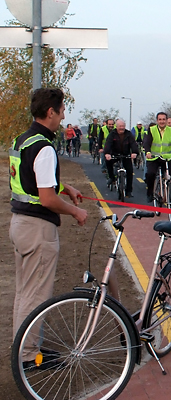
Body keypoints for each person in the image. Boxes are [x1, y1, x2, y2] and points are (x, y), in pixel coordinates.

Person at [9, 88, 88, 369]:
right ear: (51, 112)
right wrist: (75, 210)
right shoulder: (44, 146)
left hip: (20, 224)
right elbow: (46, 198)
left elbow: (33, 180)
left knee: (25, 291)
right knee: (35, 294)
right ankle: (29, 356)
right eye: (62, 109)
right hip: (37, 228)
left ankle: (23, 346)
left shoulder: (22, 140)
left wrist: (65, 187)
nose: (64, 115)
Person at [143, 112, 171, 204]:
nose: (162, 121)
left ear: (166, 120)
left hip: (167, 158)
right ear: (157, 120)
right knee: (150, 174)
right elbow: (147, 142)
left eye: (163, 119)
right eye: (160, 119)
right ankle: (150, 193)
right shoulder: (151, 129)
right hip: (154, 158)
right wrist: (148, 152)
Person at [104, 119, 140, 197]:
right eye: (120, 126)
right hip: (114, 154)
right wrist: (107, 153)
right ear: (116, 127)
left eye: (123, 126)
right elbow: (108, 144)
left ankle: (129, 191)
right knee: (108, 162)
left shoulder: (128, 134)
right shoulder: (112, 134)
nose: (121, 128)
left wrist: (134, 152)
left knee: (130, 171)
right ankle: (111, 178)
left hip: (125, 155)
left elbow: (133, 144)